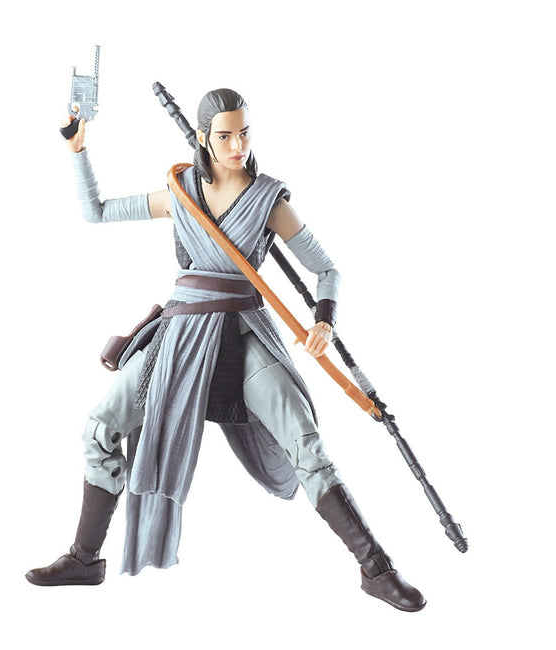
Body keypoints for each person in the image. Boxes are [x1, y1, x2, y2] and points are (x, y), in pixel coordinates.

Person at [25, 89, 426, 612]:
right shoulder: (180, 193)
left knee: (306, 445)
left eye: (244, 133)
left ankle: (376, 568)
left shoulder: (269, 201)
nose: (238, 145)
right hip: (178, 335)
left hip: (242, 331)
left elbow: (327, 269)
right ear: (203, 139)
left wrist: (324, 320)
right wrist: (78, 149)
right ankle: (84, 559)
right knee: (100, 428)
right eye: (225, 135)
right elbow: (96, 212)